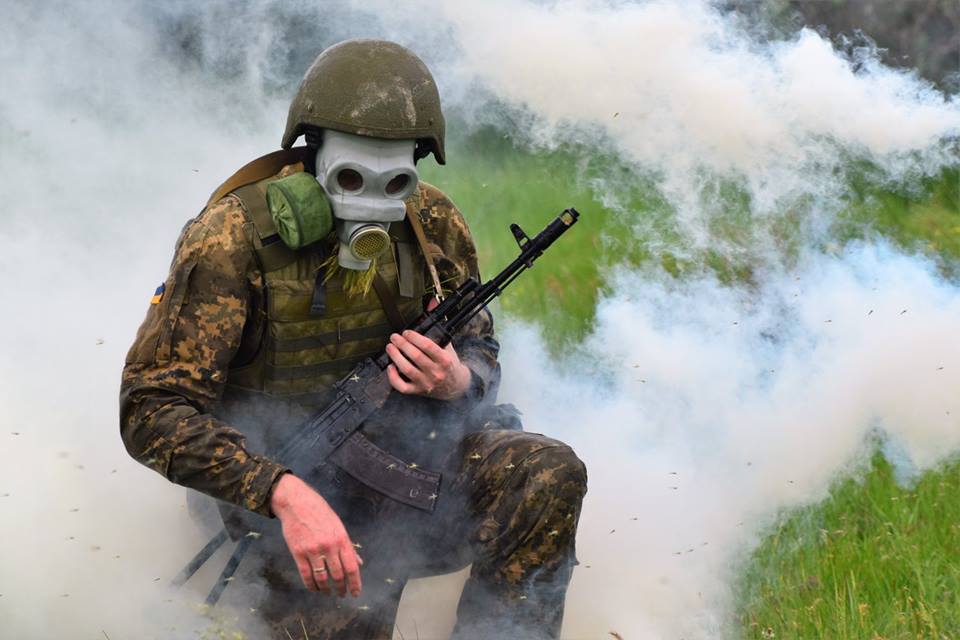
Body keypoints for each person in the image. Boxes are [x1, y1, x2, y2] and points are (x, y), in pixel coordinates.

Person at [120, 38, 587, 640]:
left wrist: (457, 380)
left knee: (545, 471)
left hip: (405, 458)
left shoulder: (430, 222)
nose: (372, 198)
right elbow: (151, 409)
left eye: (394, 179)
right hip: (275, 494)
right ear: (311, 156)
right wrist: (282, 493)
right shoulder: (231, 239)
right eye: (348, 174)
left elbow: (481, 353)